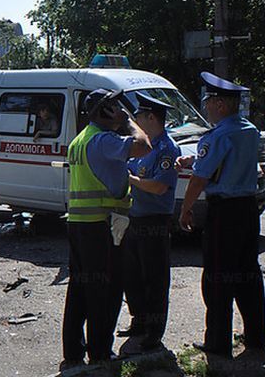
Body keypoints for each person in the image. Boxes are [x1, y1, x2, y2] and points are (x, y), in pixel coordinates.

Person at [176, 72, 265, 359]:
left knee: (217, 277)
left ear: (221, 105)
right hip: (248, 209)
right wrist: (198, 158)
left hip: (224, 212)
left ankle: (217, 341)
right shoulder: (249, 129)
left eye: (209, 101)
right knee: (248, 273)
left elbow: (200, 178)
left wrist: (186, 208)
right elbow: (225, 163)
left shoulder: (217, 135)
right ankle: (256, 338)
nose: (206, 107)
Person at [61, 88, 151, 371]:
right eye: (114, 105)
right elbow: (144, 146)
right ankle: (100, 352)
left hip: (79, 224)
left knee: (80, 287)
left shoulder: (80, 139)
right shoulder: (103, 140)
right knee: (106, 288)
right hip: (102, 225)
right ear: (104, 111)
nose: (120, 108)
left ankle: (73, 350)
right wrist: (127, 121)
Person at [119, 93, 181, 352]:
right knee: (132, 276)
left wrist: (130, 179)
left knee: (154, 279)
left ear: (151, 118)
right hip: (134, 218)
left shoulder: (167, 149)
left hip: (154, 221)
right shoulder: (141, 146)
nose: (135, 121)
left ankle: (154, 332)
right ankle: (139, 320)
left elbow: (158, 186)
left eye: (139, 117)